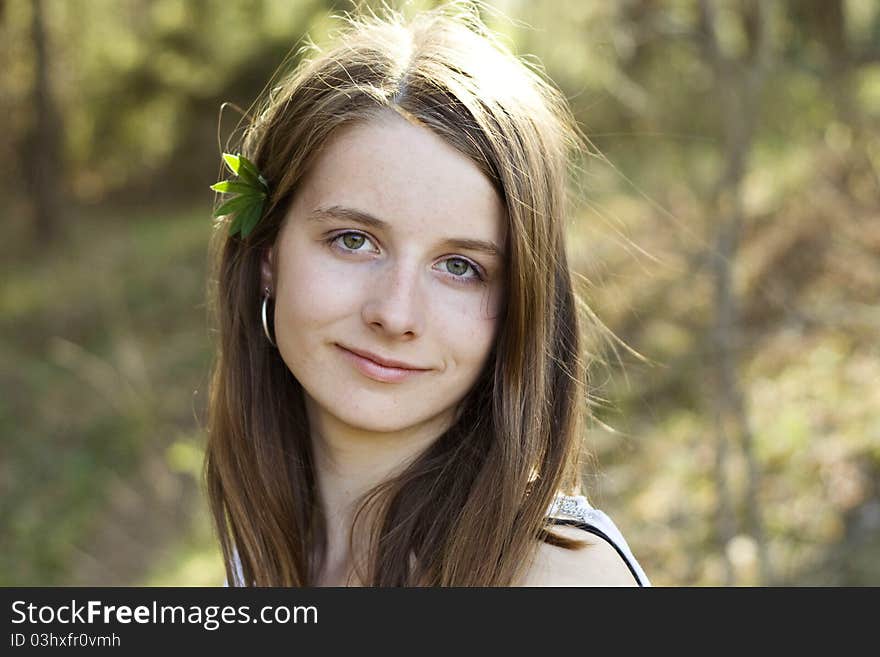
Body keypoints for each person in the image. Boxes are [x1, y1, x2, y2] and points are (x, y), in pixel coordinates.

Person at [205, 0, 649, 587]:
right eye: (354, 240)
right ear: (267, 256)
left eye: (460, 267)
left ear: (521, 305)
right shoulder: (265, 560)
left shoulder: (555, 580)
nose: (395, 313)